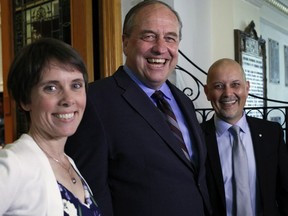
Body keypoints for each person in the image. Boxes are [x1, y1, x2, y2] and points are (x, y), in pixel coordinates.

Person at [65, 1, 212, 216]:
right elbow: (91, 193)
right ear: (125, 42)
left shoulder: (183, 100)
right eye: (148, 36)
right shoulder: (94, 101)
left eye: (170, 38)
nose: (161, 48)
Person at [0, 38, 102, 216]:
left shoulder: (68, 162)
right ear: (25, 100)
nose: (69, 99)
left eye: (76, 85)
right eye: (51, 88)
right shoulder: (14, 165)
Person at [201, 58, 288, 215]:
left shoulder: (271, 134)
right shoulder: (196, 138)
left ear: (247, 88)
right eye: (219, 86)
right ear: (207, 92)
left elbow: (285, 192)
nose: (228, 93)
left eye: (235, 84)